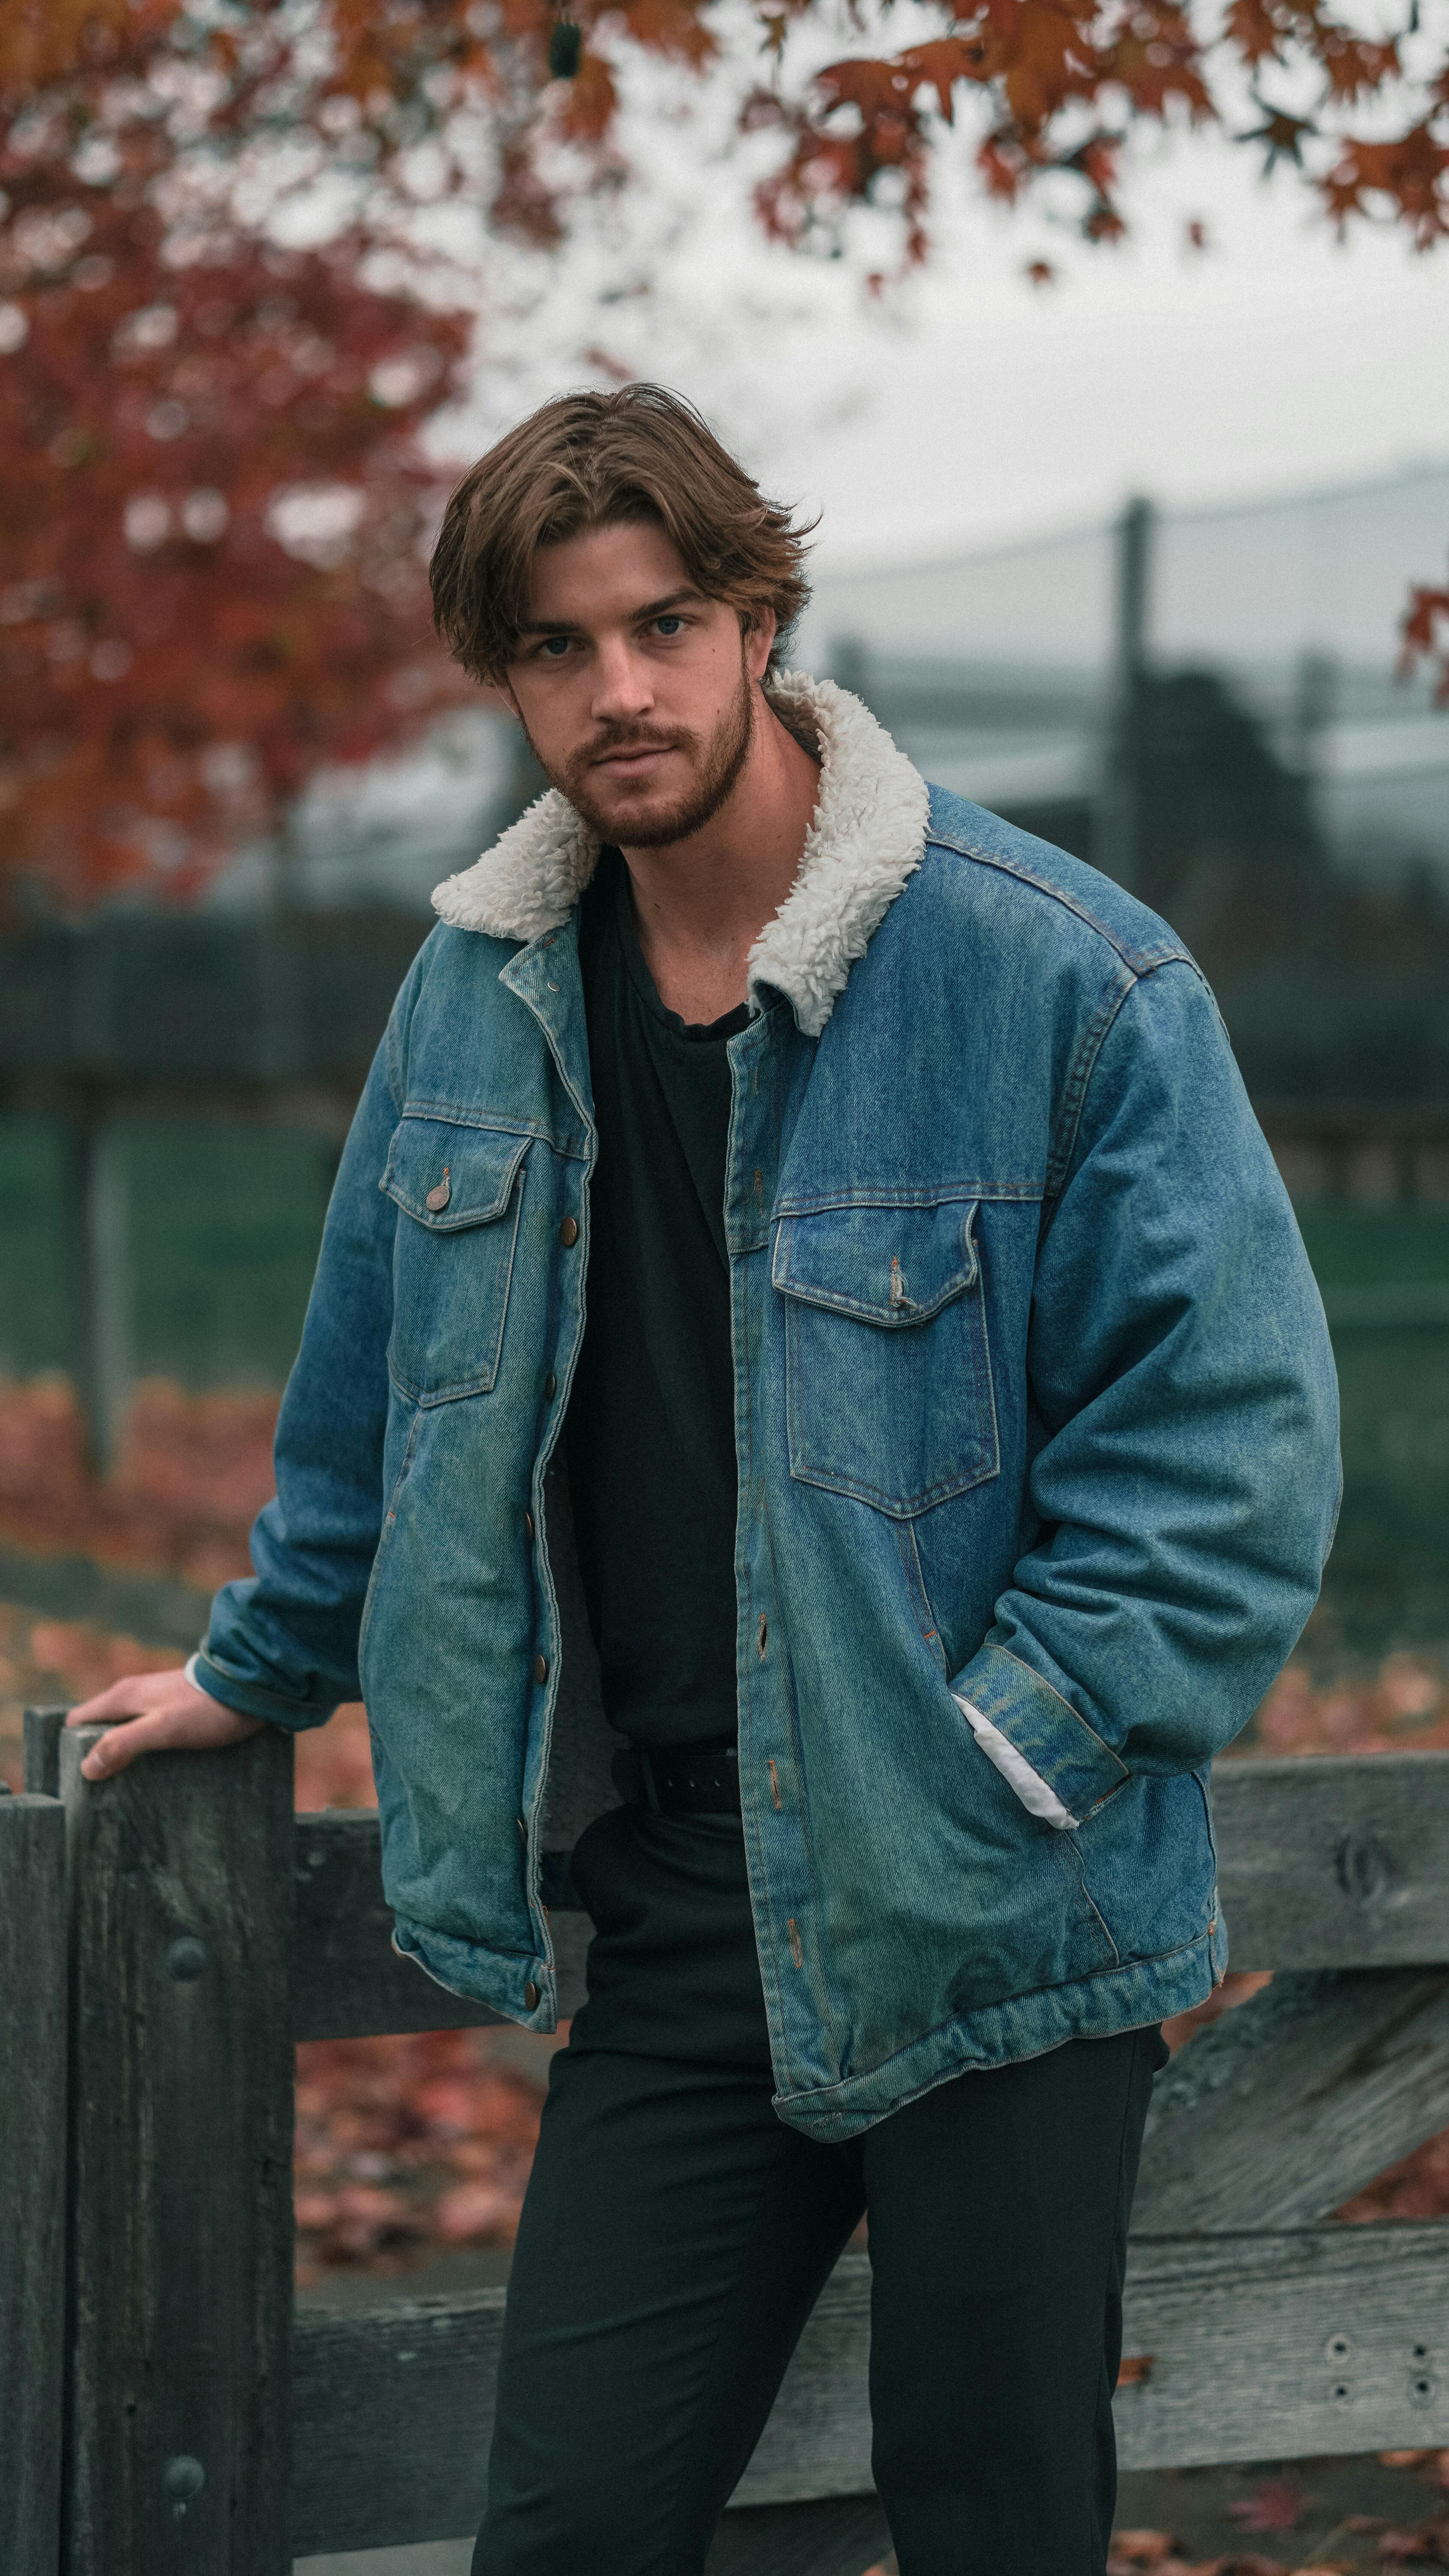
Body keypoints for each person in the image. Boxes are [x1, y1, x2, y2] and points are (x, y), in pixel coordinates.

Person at [69, 383, 1341, 2575]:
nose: (618, 690)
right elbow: (378, 1381)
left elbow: (1231, 1453)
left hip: (995, 1924)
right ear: (508, 678)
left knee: (993, 2530)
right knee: (564, 2531)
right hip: (676, 1920)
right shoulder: (478, 996)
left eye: (663, 624)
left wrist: (997, 1760)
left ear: (760, 619)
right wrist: (260, 1665)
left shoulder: (1056, 974)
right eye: (556, 649)